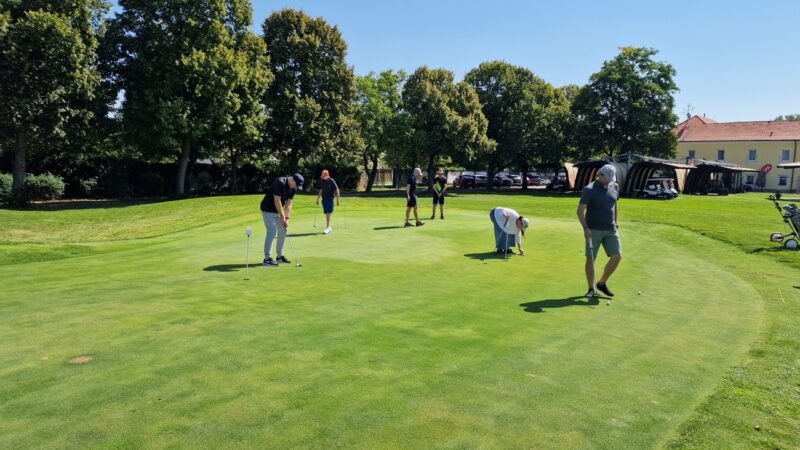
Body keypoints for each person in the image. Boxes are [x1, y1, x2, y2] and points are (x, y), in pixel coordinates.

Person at [577, 164, 621, 298]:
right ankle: (591, 289)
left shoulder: (615, 186)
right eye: (607, 178)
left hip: (611, 229)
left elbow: (615, 205)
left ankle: (601, 283)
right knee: (591, 259)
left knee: (617, 257)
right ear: (600, 175)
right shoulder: (589, 189)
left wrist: (616, 222)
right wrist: (585, 228)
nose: (609, 181)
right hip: (593, 230)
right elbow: (580, 211)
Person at [260, 173, 304, 267]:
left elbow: (289, 204)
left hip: (277, 211)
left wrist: (287, 219)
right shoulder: (280, 182)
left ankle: (279, 257)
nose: (296, 187)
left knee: (283, 230)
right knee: (272, 232)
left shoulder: (293, 188)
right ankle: (267, 259)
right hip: (267, 209)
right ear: (292, 180)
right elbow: (277, 201)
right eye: (296, 185)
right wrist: (283, 217)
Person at [316, 169, 340, 234]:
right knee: (326, 213)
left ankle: (328, 228)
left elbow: (337, 190)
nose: (321, 175)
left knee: (328, 213)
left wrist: (338, 200)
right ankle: (330, 227)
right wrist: (318, 198)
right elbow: (321, 190)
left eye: (322, 174)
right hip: (324, 199)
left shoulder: (331, 181)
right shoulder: (322, 181)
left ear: (326, 175)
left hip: (330, 199)